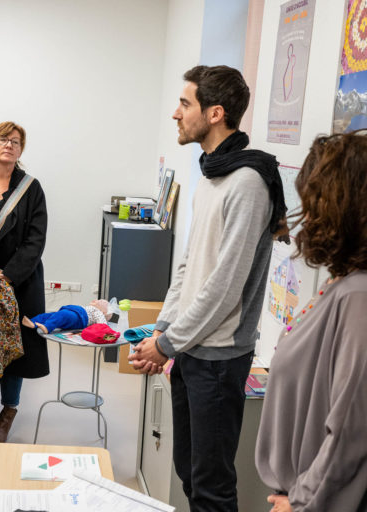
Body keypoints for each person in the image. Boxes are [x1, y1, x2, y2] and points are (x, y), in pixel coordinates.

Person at [128, 65, 287, 512]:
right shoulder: (213, 176)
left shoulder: (249, 183)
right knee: (189, 473)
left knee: (213, 488)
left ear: (215, 113)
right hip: (190, 349)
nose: (175, 114)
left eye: (185, 103)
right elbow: (191, 264)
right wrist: (161, 330)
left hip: (218, 359)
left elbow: (225, 287)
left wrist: (169, 342)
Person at [255, 132, 367, 512]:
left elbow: (351, 430)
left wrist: (301, 503)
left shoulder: (358, 298)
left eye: (312, 202)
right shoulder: (344, 284)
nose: (305, 216)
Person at [0, 121, 48, 443]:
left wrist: (6, 278)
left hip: (19, 281)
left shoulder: (31, 188)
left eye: (16, 141)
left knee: (14, 349)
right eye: (3, 139)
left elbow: (35, 240)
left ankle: (9, 411)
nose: (9, 145)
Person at [22, 299, 115, 334]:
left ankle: (47, 327)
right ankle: (33, 322)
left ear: (103, 311)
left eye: (103, 302)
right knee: (48, 315)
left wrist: (108, 331)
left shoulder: (98, 312)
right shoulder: (92, 308)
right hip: (73, 313)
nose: (100, 300)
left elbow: (103, 324)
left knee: (62, 315)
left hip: (78, 319)